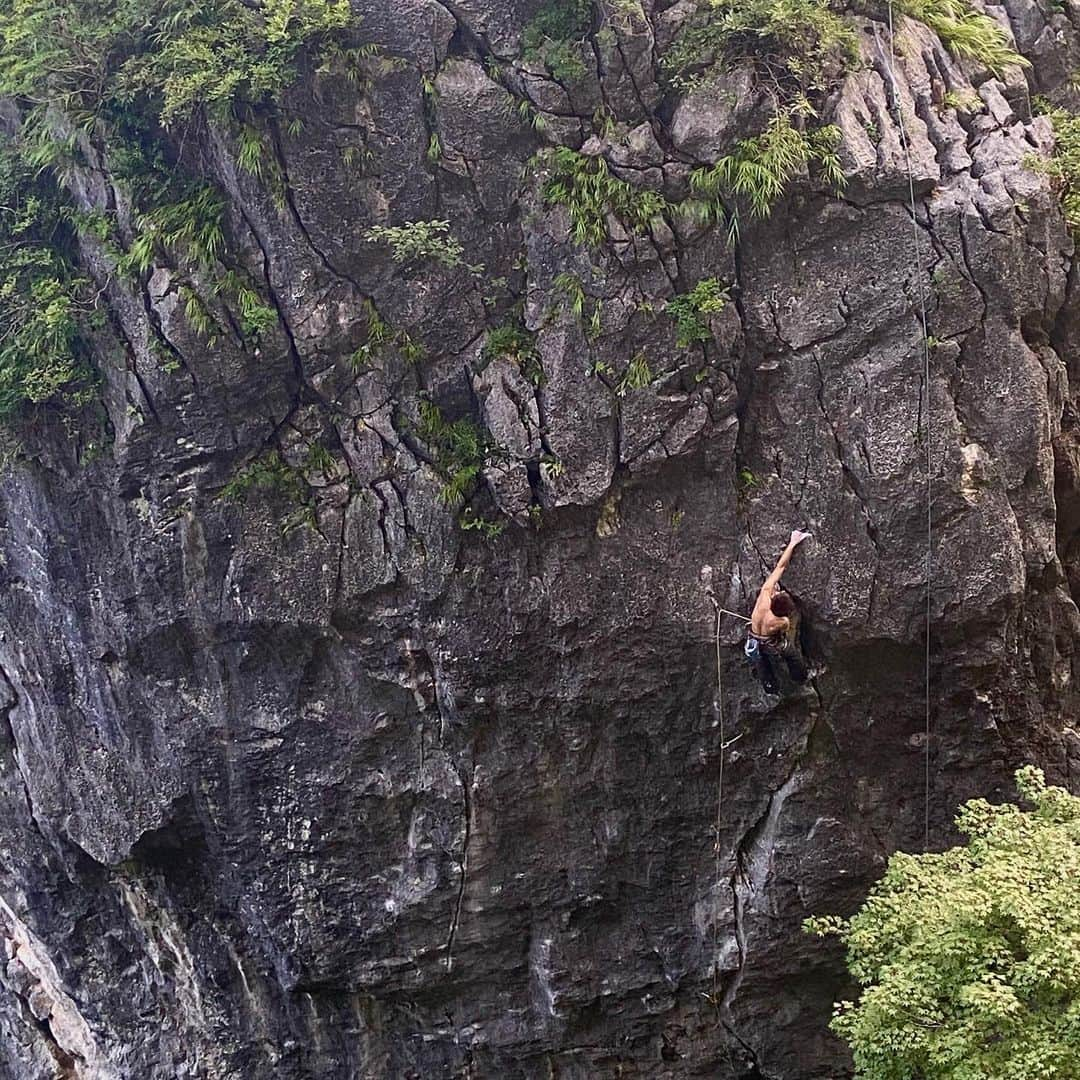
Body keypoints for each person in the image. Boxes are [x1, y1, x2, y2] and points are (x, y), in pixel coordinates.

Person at [744, 530, 812, 693]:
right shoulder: (781, 621)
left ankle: (770, 685)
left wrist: (793, 542)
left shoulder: (765, 593)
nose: (779, 589)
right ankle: (800, 677)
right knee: (792, 654)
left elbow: (781, 566)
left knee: (762, 663)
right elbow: (786, 629)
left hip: (753, 636)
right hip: (769, 643)